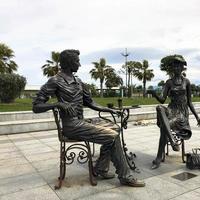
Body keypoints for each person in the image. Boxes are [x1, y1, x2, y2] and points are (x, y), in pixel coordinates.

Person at [32, 49, 145, 187]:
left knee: (116, 128)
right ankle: (125, 176)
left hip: (81, 122)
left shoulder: (78, 81)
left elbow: (90, 102)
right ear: (68, 63)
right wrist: (58, 104)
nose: (79, 64)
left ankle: (100, 168)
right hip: (71, 126)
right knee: (113, 136)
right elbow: (36, 106)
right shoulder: (55, 81)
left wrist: (108, 109)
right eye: (77, 61)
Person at [147, 55, 200, 169]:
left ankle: (158, 159)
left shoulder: (186, 82)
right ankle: (172, 141)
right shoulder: (169, 83)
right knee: (159, 107)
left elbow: (189, 102)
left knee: (164, 127)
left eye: (179, 66)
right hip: (171, 109)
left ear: (182, 68)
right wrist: (154, 93)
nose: (176, 68)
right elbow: (163, 100)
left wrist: (197, 117)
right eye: (174, 66)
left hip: (181, 113)